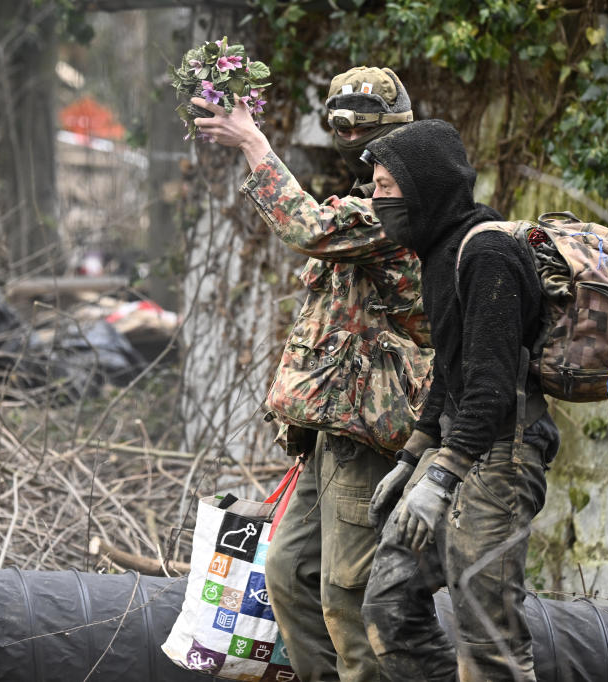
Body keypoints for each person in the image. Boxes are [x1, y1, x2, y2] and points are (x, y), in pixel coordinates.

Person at [191, 67, 435, 682]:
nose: (349, 140)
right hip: (332, 426)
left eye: (359, 129)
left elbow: (309, 227)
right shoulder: (369, 200)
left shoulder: (401, 208)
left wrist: (253, 143)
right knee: (287, 574)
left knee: (345, 598)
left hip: (370, 433)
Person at [360, 119, 560, 681]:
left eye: (384, 188)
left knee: (488, 638)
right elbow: (455, 367)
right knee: (389, 608)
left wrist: (440, 479)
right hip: (458, 451)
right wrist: (411, 457)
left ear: (423, 187)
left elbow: (492, 387)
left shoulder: (486, 252)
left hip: (502, 456)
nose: (375, 199)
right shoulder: (438, 251)